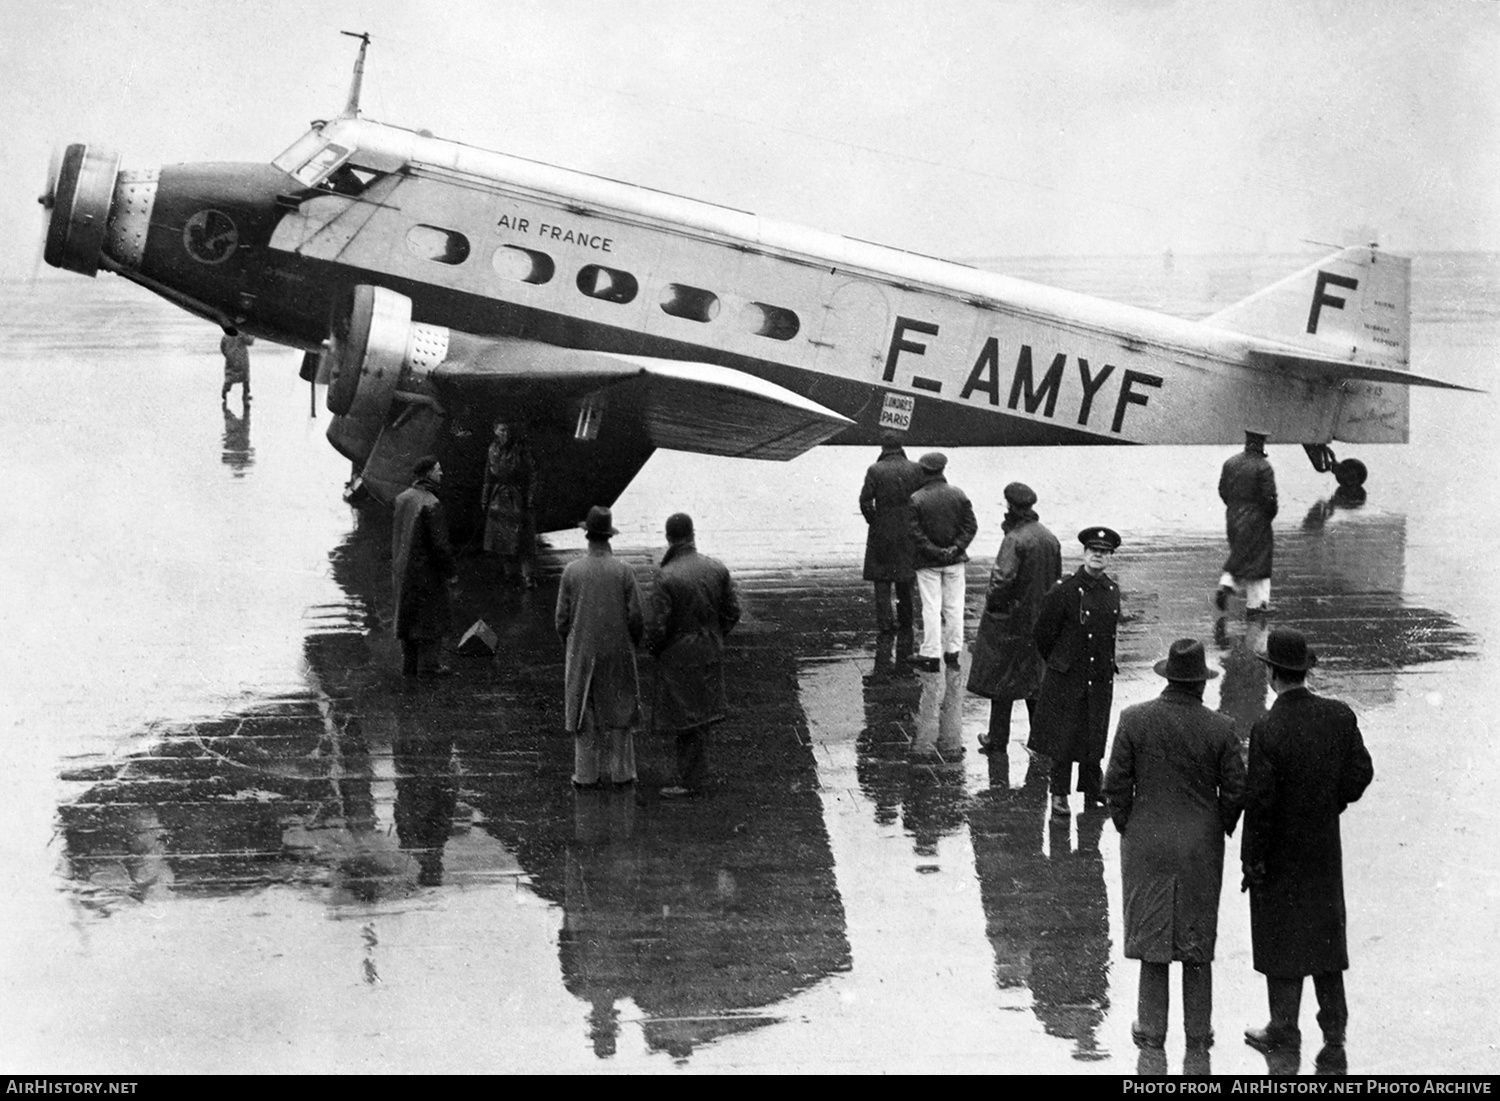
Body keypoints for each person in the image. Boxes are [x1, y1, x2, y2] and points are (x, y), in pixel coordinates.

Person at [1102, 638, 1246, 1062]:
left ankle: (1150, 1031)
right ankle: (1198, 1034)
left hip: (1146, 843)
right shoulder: (1221, 727)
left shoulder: (1133, 720)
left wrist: (1129, 825)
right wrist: (1216, 825)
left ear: (1167, 678)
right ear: (1200, 684)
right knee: (1196, 942)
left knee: (1153, 942)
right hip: (1200, 846)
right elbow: (1236, 789)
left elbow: (1115, 785)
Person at [1241, 627, 1374, 1073]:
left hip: (1279, 853)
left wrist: (1251, 860)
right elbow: (1361, 772)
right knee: (1326, 941)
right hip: (1322, 849)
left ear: (1273, 674)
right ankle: (1334, 1034)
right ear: (1304, 671)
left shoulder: (1268, 727)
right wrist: (1331, 802)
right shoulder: (1338, 715)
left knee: (1282, 942)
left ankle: (1283, 1028)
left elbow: (1258, 802)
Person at [646, 513, 741, 798]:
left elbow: (657, 626)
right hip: (709, 648)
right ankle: (696, 775)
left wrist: (656, 650)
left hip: (678, 655)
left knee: (685, 719)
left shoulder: (665, 576)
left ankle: (691, 781)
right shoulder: (716, 569)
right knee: (701, 715)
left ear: (668, 538)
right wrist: (715, 635)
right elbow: (733, 612)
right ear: (692, 534)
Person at [1029, 526, 1122, 815]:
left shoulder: (1111, 590)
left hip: (1099, 676)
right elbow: (1043, 634)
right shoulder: (1065, 590)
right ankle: (1058, 794)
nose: (1098, 556)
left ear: (1110, 557)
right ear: (1084, 553)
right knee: (1064, 736)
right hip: (1068, 676)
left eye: (1104, 552)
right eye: (1094, 551)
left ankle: (1093, 788)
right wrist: (1061, 662)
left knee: (1095, 732)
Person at [966, 482, 1061, 754]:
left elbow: (1001, 581)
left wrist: (995, 608)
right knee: (1035, 681)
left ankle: (997, 739)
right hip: (1039, 619)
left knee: (1002, 679)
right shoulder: (1049, 537)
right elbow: (1055, 580)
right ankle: (1042, 740)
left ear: (1010, 507)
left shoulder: (1014, 539)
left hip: (1011, 621)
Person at [556, 506, 644, 787]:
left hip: (583, 650)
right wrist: (632, 642)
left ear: (587, 536)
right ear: (609, 538)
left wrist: (572, 644)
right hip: (618, 650)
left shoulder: (572, 571)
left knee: (585, 712)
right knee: (620, 712)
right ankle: (622, 774)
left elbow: (561, 619)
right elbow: (636, 616)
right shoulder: (624, 571)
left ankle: (585, 775)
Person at [907, 452, 977, 673]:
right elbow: (970, 526)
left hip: (928, 562)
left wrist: (935, 552)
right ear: (943, 469)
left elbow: (915, 533)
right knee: (955, 607)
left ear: (924, 471)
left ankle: (931, 652)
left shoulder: (916, 498)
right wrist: (955, 548)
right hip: (955, 561)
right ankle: (953, 650)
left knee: (931, 607)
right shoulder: (958, 494)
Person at [392, 456, 457, 677]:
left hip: (404, 570)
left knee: (407, 618)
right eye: (438, 470)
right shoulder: (432, 503)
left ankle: (409, 666)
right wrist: (451, 572)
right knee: (432, 619)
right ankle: (431, 665)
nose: (442, 474)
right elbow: (441, 546)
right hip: (427, 572)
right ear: (428, 474)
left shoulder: (403, 499)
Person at [859, 433, 923, 634]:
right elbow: (922, 498)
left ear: (883, 447)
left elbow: (865, 500)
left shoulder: (875, 470)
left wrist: (874, 519)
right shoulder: (915, 469)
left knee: (882, 578)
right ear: (901, 446)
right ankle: (906, 621)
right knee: (906, 576)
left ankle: (885, 624)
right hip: (908, 529)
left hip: (882, 529)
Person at [1216, 428, 1278, 615]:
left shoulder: (1230, 463)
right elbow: (1270, 499)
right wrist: (1268, 516)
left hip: (1234, 515)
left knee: (1241, 554)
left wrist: (1234, 508)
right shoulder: (1263, 466)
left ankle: (1227, 583)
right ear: (1261, 444)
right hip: (1257, 518)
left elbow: (1222, 490)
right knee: (1260, 561)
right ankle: (1257, 604)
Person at [481, 421, 538, 587]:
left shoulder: (519, 450)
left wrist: (530, 498)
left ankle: (528, 576)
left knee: (523, 539)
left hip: (517, 496)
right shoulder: (492, 449)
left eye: (507, 431)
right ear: (495, 431)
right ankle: (509, 574)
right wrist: (485, 498)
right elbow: (488, 475)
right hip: (498, 497)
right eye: (501, 430)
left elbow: (532, 474)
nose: (505, 434)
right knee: (500, 540)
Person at [220, 331, 253, 403]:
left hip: (230, 358)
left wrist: (227, 355)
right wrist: (252, 334)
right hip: (241, 358)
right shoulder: (242, 334)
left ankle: (225, 391)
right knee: (245, 377)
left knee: (230, 376)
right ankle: (246, 394)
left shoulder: (226, 335)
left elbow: (222, 347)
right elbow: (250, 342)